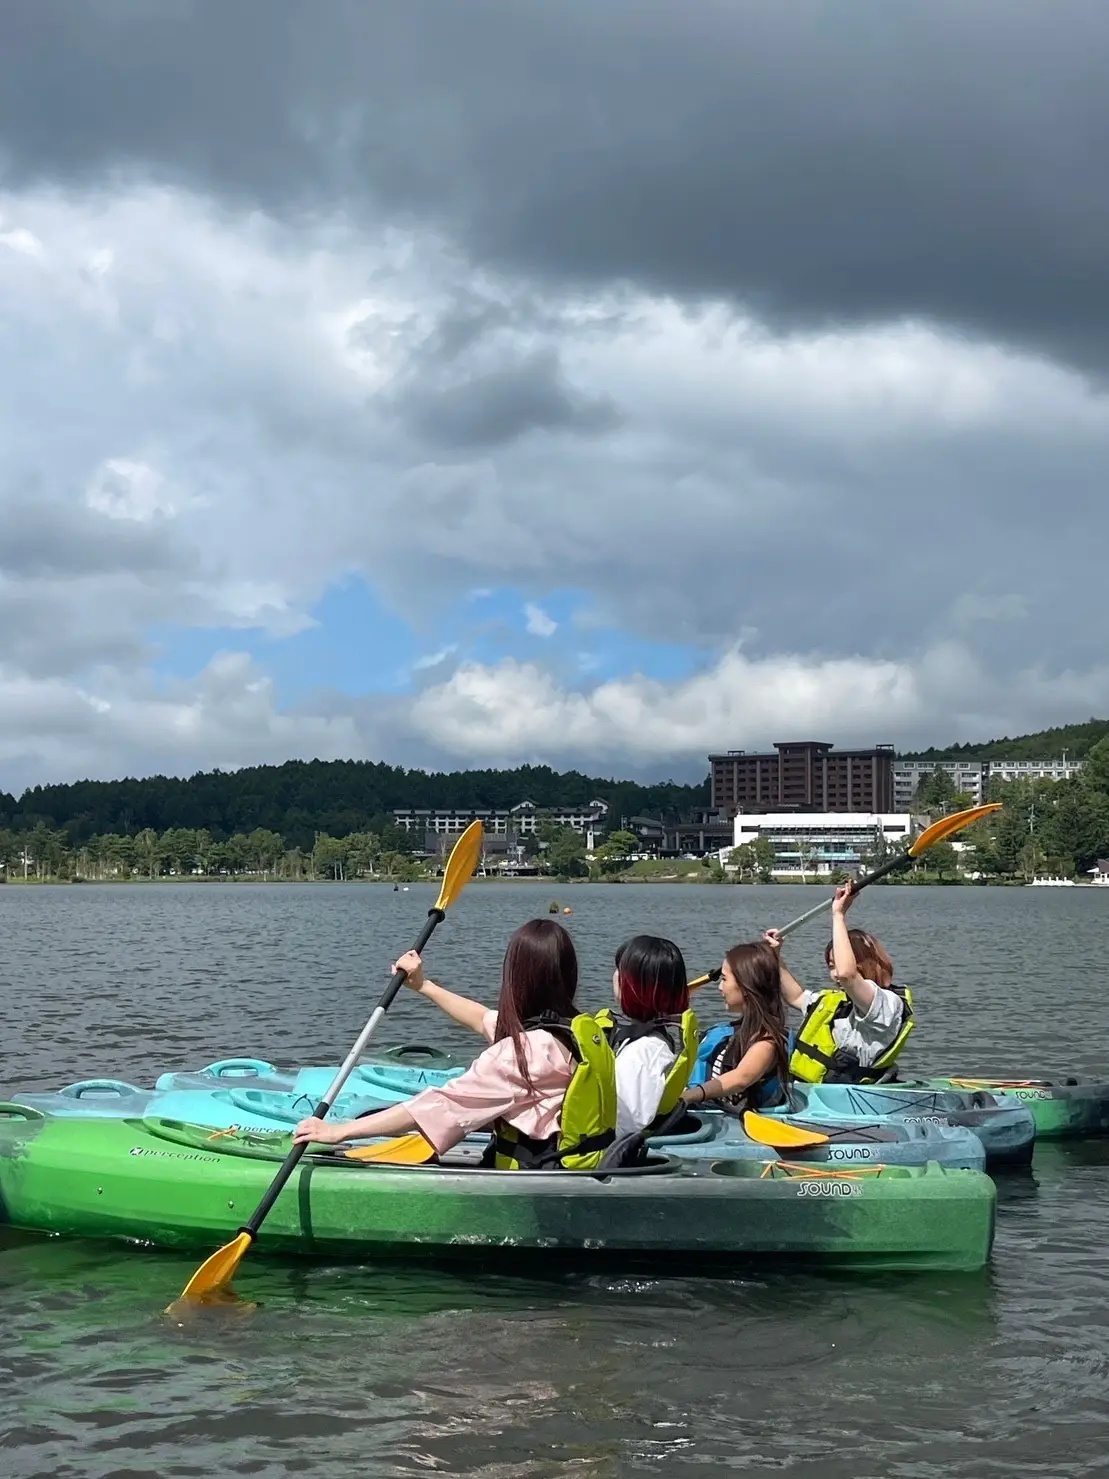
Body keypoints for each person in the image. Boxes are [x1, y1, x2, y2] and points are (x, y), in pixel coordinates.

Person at [293, 919, 618, 1169]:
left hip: (534, 1178)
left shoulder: (518, 1057)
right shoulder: (577, 1034)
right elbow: (482, 1018)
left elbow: (436, 1107)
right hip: (571, 1164)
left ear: (516, 978)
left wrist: (339, 1131)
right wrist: (424, 986)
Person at [768, 883, 914, 1083]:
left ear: (864, 962)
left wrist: (838, 914)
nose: (835, 974)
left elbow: (847, 974)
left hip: (848, 1097)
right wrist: (776, 956)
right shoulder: (836, 1001)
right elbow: (796, 996)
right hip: (818, 1092)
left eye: (837, 964)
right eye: (830, 966)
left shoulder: (886, 1003)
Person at [598, 935, 699, 1136]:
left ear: (632, 986)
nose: (614, 974)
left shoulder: (641, 1053)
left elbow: (628, 1126)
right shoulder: (654, 1040)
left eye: (619, 969)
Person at [682, 940, 790, 1110]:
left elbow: (741, 1078)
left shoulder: (767, 1041)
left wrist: (689, 1096)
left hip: (733, 1119)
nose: (720, 987)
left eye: (724, 979)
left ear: (746, 986)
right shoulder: (736, 1029)